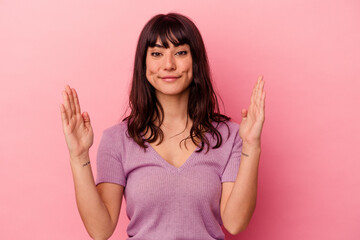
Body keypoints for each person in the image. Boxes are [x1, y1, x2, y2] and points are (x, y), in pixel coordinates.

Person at [60, 12, 265, 240]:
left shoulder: (230, 136)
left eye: (180, 53)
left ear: (195, 60)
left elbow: (235, 223)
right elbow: (101, 230)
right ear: (144, 64)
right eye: (157, 53)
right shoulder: (117, 140)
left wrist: (252, 146)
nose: (168, 64)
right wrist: (78, 156)